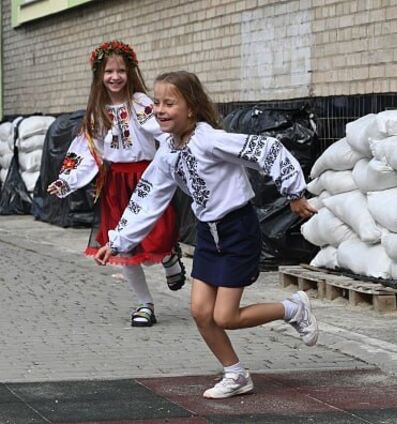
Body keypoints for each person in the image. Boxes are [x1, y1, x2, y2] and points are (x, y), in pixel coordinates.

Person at [95, 70, 319, 399]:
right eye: (157, 102)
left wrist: (294, 192)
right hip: (207, 234)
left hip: (237, 230)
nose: (159, 109)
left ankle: (293, 309)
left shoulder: (210, 139)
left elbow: (266, 149)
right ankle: (236, 374)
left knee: (225, 316)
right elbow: (148, 195)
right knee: (201, 312)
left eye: (170, 103)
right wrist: (116, 241)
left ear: (192, 108)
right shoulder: (168, 151)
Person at [48, 41, 186, 328]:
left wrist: (179, 158)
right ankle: (144, 304)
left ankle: (170, 256)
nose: (115, 76)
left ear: (130, 71)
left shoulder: (142, 103)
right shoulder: (96, 112)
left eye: (120, 70)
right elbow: (85, 150)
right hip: (115, 183)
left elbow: (163, 131)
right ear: (99, 74)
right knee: (124, 246)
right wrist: (65, 180)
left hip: (147, 177)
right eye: (109, 71)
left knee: (160, 232)